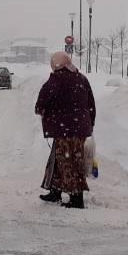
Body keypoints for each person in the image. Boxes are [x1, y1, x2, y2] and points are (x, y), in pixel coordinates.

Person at [35, 51, 97, 209]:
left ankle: (77, 199)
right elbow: (91, 104)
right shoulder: (81, 78)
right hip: (78, 128)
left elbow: (42, 101)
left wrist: (41, 109)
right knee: (57, 161)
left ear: (56, 64)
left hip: (66, 129)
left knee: (69, 163)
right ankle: (55, 191)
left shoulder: (57, 79)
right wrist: (89, 124)